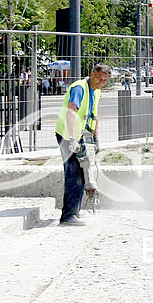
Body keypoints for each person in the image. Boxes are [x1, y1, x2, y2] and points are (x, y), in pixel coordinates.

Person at [55, 64, 112, 226]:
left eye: (105, 80)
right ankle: (68, 216)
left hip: (81, 136)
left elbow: (95, 115)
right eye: (99, 78)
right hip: (67, 135)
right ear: (91, 74)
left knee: (84, 171)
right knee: (74, 173)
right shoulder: (79, 88)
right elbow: (71, 112)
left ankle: (75, 211)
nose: (101, 82)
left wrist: (96, 138)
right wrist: (72, 139)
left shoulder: (97, 90)